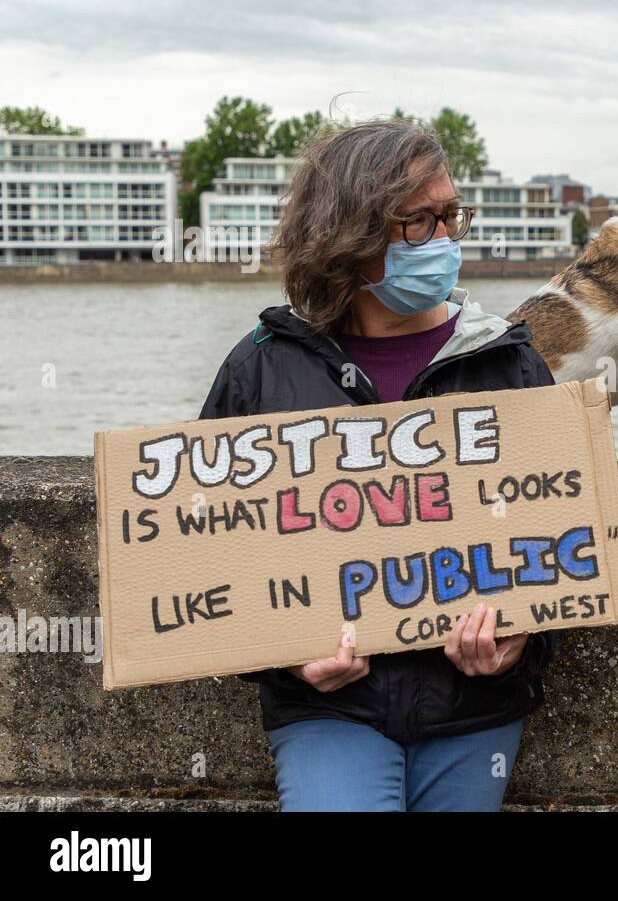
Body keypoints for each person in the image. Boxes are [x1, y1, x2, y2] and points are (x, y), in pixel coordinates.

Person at [199, 120, 556, 812]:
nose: (444, 238)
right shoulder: (263, 367)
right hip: (328, 708)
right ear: (349, 234)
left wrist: (524, 634)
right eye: (417, 221)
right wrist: (284, 649)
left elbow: (567, 533)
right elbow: (207, 546)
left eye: (451, 215)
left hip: (474, 706)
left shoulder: (509, 361)